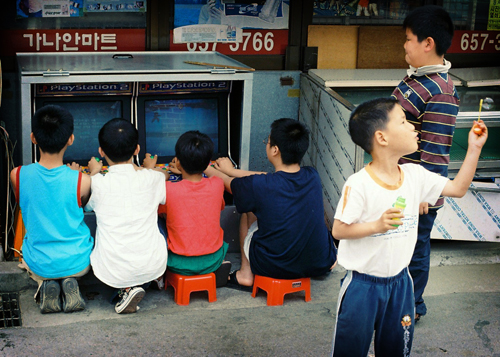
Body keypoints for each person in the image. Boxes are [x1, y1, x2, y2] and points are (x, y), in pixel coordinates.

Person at [331, 98, 487, 357]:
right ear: (382, 138)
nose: (414, 127)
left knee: (396, 349)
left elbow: (458, 189)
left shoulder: (415, 175)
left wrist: (474, 149)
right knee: (350, 350)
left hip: (402, 284)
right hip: (361, 287)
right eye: (404, 122)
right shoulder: (358, 184)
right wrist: (376, 226)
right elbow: (339, 230)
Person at [205, 118, 337, 290]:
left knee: (249, 210)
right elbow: (270, 176)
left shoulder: (260, 186)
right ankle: (328, 261)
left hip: (275, 266)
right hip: (319, 263)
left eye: (267, 142)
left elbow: (228, 183)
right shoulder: (312, 175)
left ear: (275, 150)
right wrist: (232, 170)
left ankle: (245, 274)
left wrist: (203, 166)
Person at [391, 5, 459, 322]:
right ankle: (397, 298)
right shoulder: (417, 80)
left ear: (427, 43)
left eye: (408, 39)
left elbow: (436, 151)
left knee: (414, 249)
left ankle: (412, 305)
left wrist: (423, 195)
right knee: (397, 245)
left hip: (417, 195)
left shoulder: (440, 92)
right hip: (400, 184)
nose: (404, 45)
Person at [10, 105, 93, 314]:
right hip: (78, 261)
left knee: (36, 263)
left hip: (39, 261)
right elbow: (81, 201)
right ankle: (70, 280)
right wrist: (75, 174)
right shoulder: (82, 180)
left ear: (33, 138)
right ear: (71, 139)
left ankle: (45, 283)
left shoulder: (17, 175)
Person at [84, 118, 168, 314]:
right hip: (153, 264)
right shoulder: (152, 178)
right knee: (159, 223)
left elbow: (88, 205)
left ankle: (125, 290)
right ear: (137, 150)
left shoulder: (96, 183)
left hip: (110, 270)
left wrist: (94, 172)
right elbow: (163, 176)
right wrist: (147, 168)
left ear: (101, 152)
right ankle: (146, 281)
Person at [152, 131, 231, 287]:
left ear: (179, 163)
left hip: (178, 263)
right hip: (213, 259)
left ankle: (159, 275)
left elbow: (160, 212)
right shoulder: (217, 184)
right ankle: (213, 270)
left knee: (157, 219)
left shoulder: (168, 189)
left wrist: (168, 174)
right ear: (208, 162)